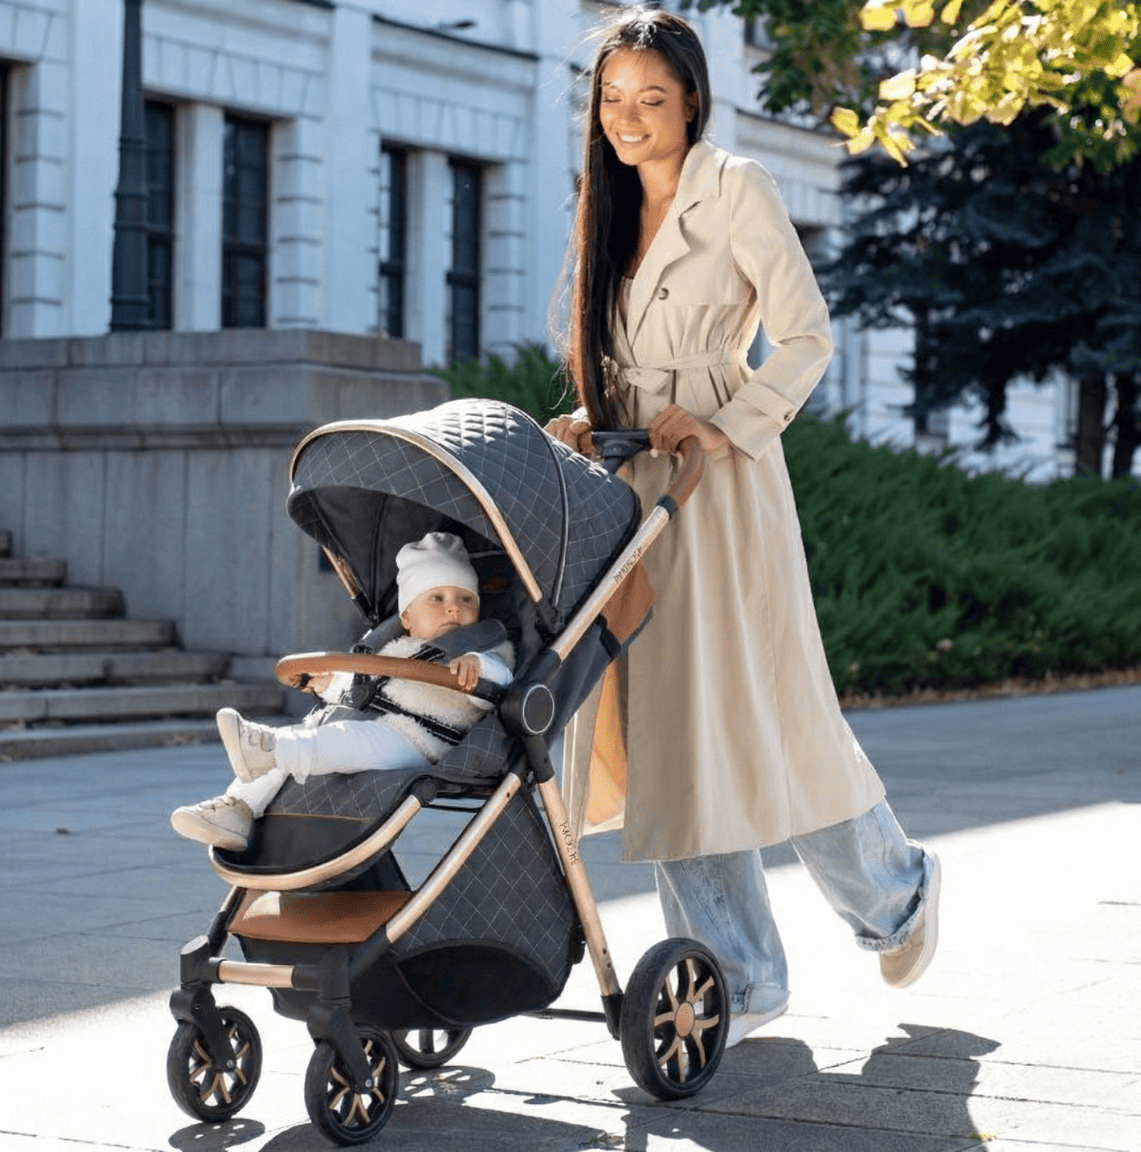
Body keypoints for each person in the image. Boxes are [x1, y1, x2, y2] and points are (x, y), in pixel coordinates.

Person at [545, 6, 941, 1048]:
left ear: (692, 102)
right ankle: (741, 975)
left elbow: (806, 336)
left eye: (652, 100)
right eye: (613, 99)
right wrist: (594, 413)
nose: (629, 120)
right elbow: (618, 352)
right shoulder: (607, 204)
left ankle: (896, 890)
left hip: (720, 483)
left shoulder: (740, 189)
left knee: (764, 719)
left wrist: (724, 422)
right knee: (669, 730)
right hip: (634, 485)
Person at [170, 532, 515, 851]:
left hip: (422, 740)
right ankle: (238, 808)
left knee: (345, 738)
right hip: (380, 723)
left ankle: (270, 749)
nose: (453, 607)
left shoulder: (483, 649)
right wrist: (330, 684)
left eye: (466, 599)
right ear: (407, 617)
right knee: (307, 734)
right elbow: (369, 690)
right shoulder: (397, 648)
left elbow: (501, 682)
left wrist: (479, 668)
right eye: (437, 598)